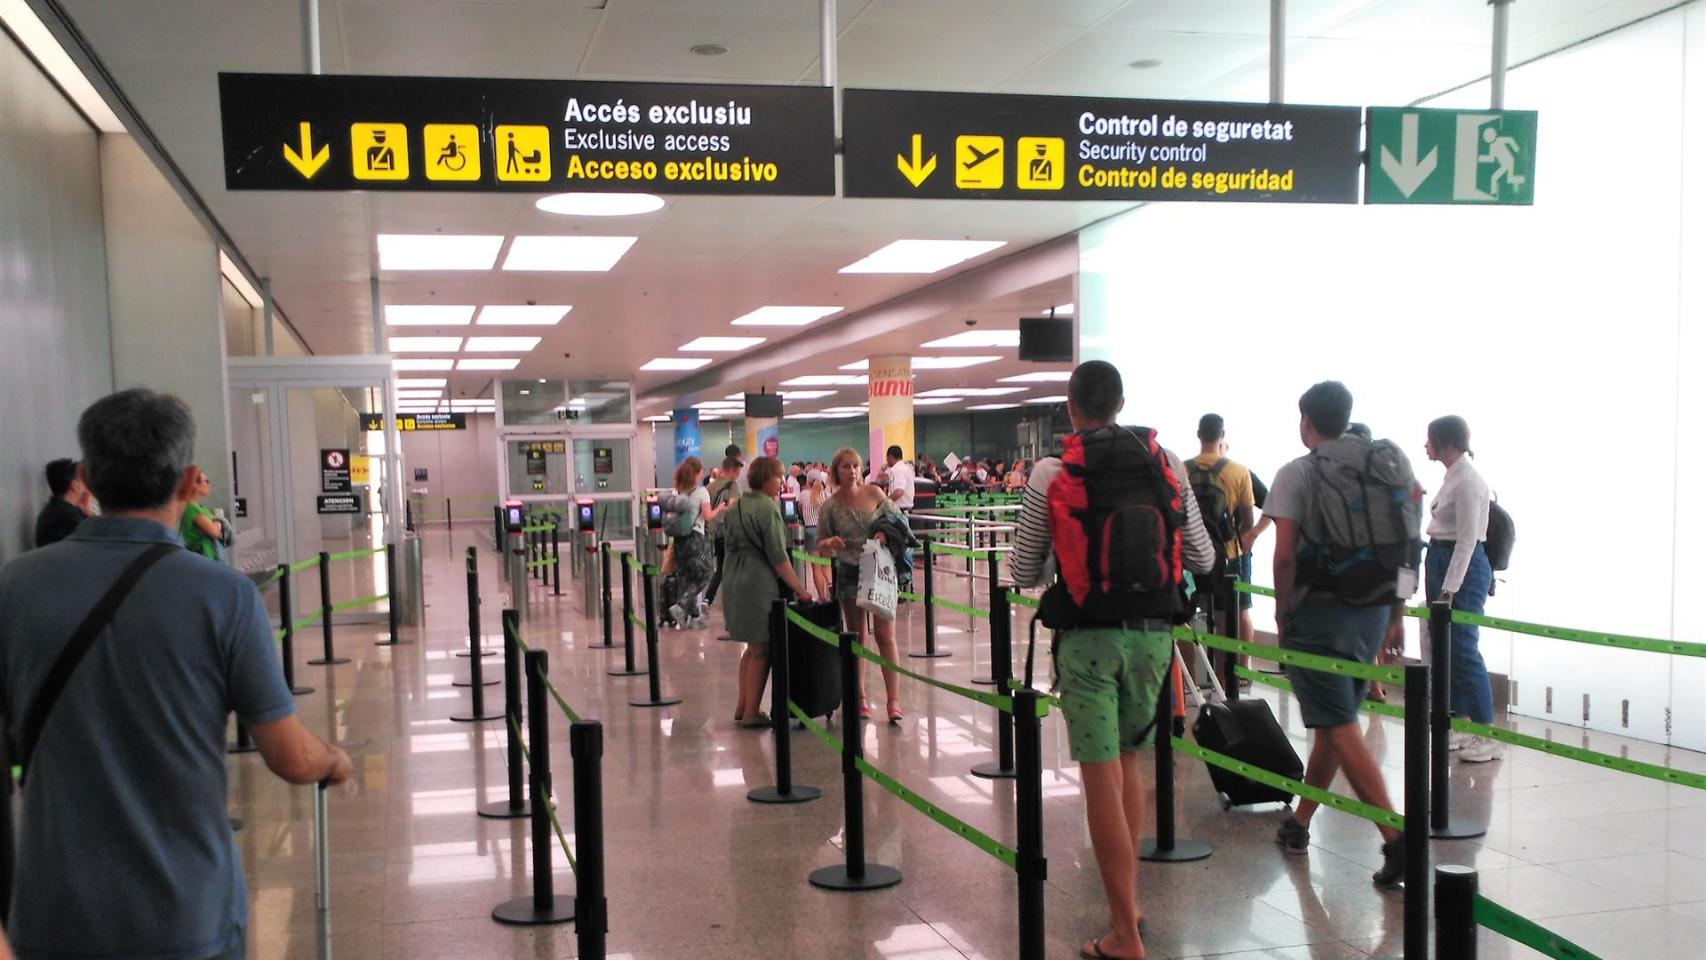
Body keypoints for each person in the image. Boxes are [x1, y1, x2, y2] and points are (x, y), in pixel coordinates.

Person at [0, 388, 352, 960]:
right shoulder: (225, 596)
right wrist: (333, 759)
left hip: (52, 913)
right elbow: (291, 757)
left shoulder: (16, 586)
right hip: (185, 913)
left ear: (86, 477)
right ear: (189, 483)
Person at [1009, 361, 1215, 960]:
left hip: (1088, 644)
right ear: (1121, 403)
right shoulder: (1166, 462)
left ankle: (1125, 933)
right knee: (1129, 762)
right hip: (1154, 637)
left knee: (1099, 773)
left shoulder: (1052, 470)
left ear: (1071, 408)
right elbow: (1199, 555)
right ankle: (1130, 903)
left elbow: (1024, 570)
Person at [1266, 381, 1410, 888]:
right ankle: (1299, 823)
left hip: (1319, 615)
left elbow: (1283, 555)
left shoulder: (1298, 472)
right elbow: (1404, 546)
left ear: (1306, 420)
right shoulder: (1382, 466)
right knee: (1333, 721)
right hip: (1371, 611)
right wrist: (1397, 614)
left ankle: (1397, 838)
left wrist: (1282, 614)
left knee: (1340, 726)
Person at [1424, 415, 1498, 762]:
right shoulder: (1452, 477)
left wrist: (1449, 589)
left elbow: (1467, 540)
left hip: (1462, 566)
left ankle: (1486, 731)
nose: (1425, 446)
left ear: (1447, 443)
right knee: (1444, 647)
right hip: (1440, 558)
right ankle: (1455, 720)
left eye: (1430, 439)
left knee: (1463, 646)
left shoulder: (1468, 481)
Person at [719, 456, 809, 727]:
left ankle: (742, 704)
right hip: (757, 583)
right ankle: (751, 712)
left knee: (750, 647)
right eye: (778, 477)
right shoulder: (768, 510)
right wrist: (801, 590)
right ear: (765, 479)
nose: (781, 481)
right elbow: (779, 558)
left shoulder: (735, 507)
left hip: (733, 578)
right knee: (763, 649)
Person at [815, 447, 904, 721]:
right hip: (850, 571)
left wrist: (883, 535)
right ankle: (860, 697)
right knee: (858, 637)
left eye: (855, 466)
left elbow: (898, 521)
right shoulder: (830, 506)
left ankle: (893, 701)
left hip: (878, 570)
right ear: (835, 472)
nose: (852, 471)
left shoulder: (875, 493)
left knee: (885, 635)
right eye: (845, 466)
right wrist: (829, 543)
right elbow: (820, 544)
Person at [1188, 414, 1257, 682]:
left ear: (1198, 434)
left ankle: (1196, 676)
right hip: (1229, 555)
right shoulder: (1239, 472)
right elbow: (1248, 521)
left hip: (1192, 556)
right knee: (1236, 612)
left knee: (1193, 612)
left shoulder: (1183, 469)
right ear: (1222, 435)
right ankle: (1236, 672)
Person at [663, 456, 725, 630]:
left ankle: (694, 617)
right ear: (697, 473)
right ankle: (681, 606)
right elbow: (707, 516)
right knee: (707, 570)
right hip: (696, 541)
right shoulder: (701, 492)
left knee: (686, 576)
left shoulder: (677, 492)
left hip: (679, 542)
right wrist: (719, 509)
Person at [703, 455, 741, 608]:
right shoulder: (732, 485)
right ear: (731, 471)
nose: (738, 475)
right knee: (734, 567)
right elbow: (733, 507)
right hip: (730, 532)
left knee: (720, 567)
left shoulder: (709, 487)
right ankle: (732, 603)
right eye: (737, 472)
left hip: (715, 532)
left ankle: (707, 599)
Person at [33, 458, 92, 548]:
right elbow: (95, 543)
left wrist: (85, 511)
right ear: (74, 485)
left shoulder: (53, 510)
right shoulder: (68, 518)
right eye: (82, 478)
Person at [178, 469, 232, 562]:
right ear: (195, 485)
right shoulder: (191, 508)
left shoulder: (200, 507)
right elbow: (215, 532)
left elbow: (215, 530)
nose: (208, 484)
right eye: (206, 481)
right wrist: (217, 524)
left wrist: (215, 525)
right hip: (204, 556)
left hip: (210, 555)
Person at [800, 470, 832, 600]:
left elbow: (800, 512)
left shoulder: (803, 495)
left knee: (816, 567)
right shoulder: (826, 495)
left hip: (810, 532)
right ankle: (830, 585)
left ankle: (822, 598)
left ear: (808, 480)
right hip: (825, 532)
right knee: (827, 565)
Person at [883, 444, 915, 511]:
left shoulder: (898, 470)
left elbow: (899, 492)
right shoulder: (904, 468)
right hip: (903, 508)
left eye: (887, 458)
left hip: (900, 509)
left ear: (890, 457)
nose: (887, 460)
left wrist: (885, 502)